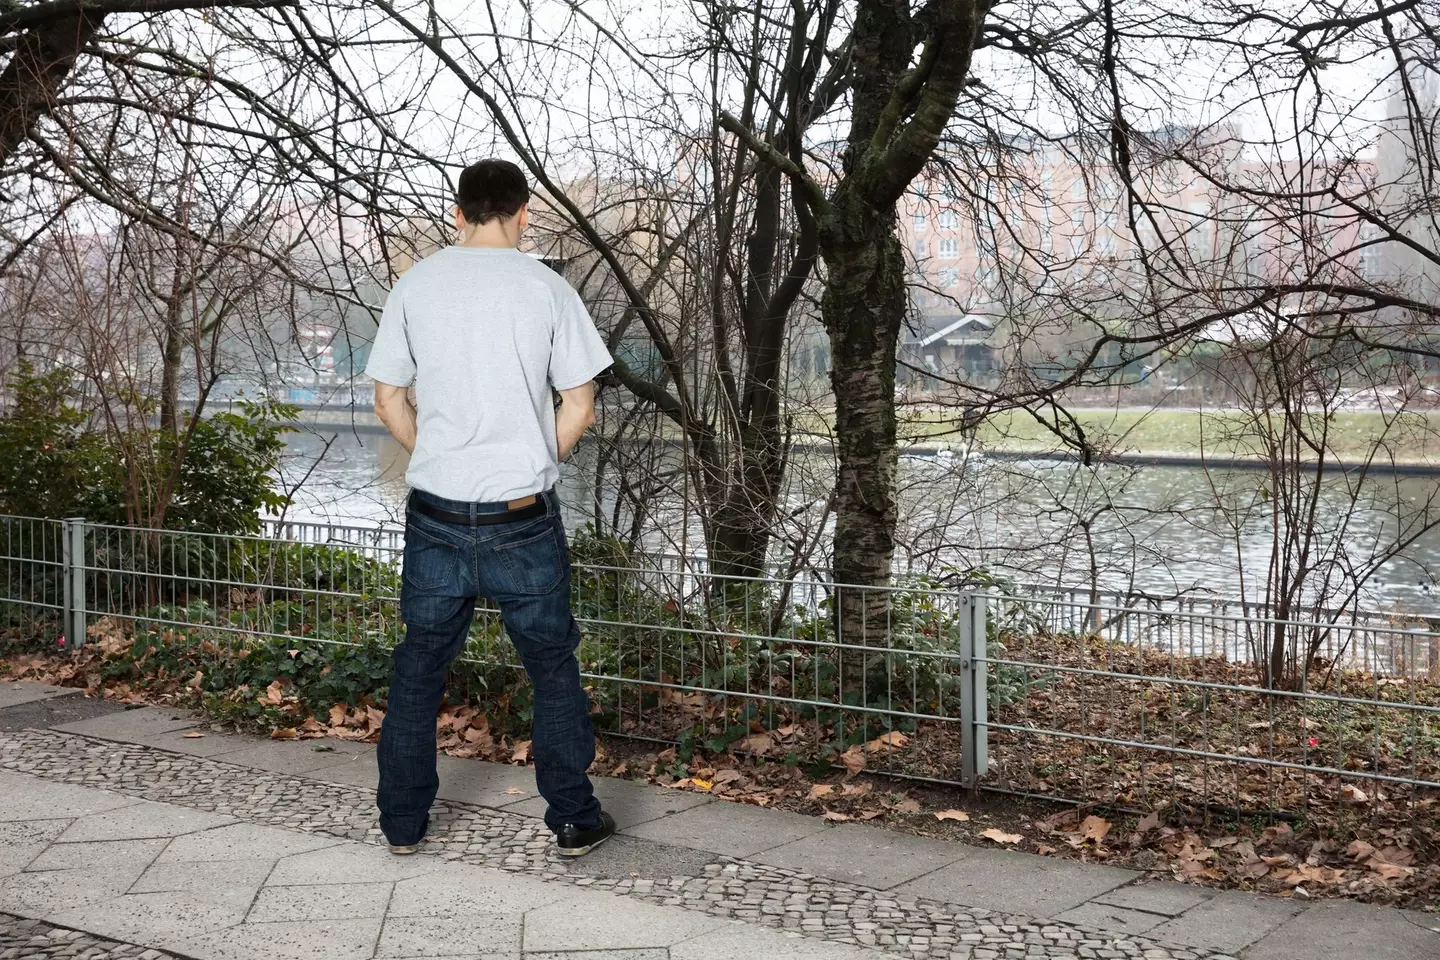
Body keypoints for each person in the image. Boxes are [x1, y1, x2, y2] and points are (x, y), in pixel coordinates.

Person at [366, 159, 615, 857]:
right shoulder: (547, 288)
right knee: (551, 666)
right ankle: (571, 817)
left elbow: (387, 399)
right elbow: (581, 402)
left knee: (419, 666)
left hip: (437, 513)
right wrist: (533, 460)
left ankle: (403, 824)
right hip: (521, 516)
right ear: (524, 211)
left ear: (458, 213)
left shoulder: (414, 286)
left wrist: (434, 458)